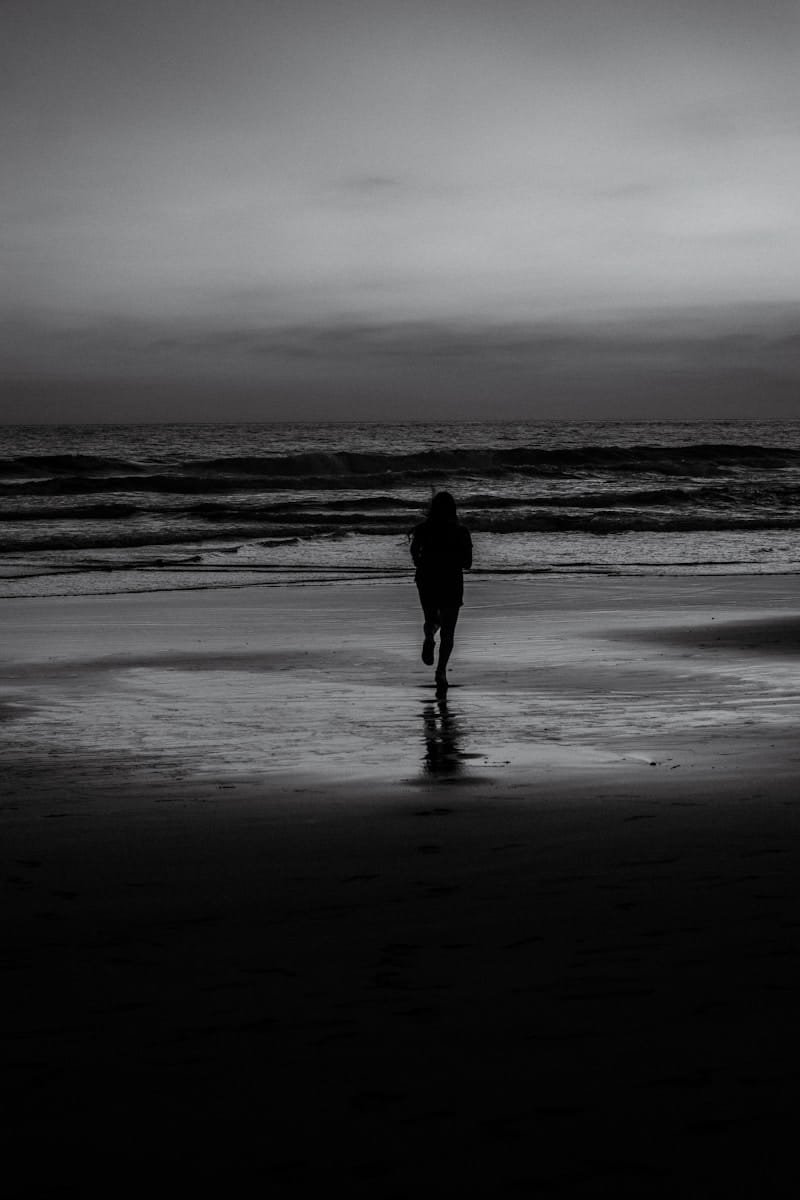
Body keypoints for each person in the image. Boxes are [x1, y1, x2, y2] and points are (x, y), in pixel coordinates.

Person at [410, 491, 472, 694]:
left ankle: (429, 636)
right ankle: (441, 671)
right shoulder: (461, 531)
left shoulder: (422, 530)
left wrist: (421, 563)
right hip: (451, 580)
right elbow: (468, 563)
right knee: (448, 631)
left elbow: (414, 552)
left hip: (427, 578)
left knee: (431, 618)